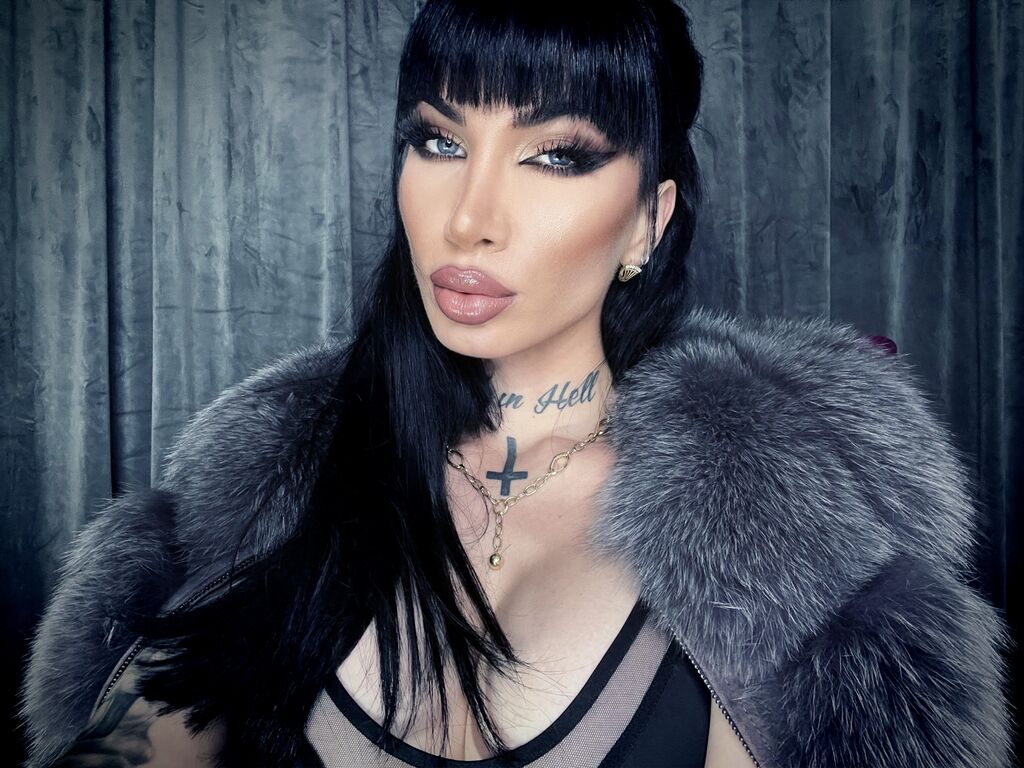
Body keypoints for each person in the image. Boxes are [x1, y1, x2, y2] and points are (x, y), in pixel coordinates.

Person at [19, 1, 1013, 766]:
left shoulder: (762, 538)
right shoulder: (283, 482)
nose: (469, 217)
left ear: (648, 221)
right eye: (440, 142)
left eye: (554, 155)